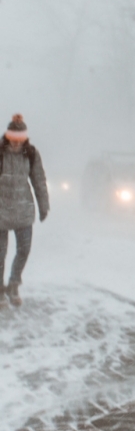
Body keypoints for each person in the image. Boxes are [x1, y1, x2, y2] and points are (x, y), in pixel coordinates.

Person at [0, 114, 49, 308]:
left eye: (19, 140)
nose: (16, 144)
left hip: (23, 211)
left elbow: (39, 180)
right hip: (1, 212)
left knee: (24, 250)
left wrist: (43, 205)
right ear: (7, 137)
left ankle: (13, 284)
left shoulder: (31, 153)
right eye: (13, 140)